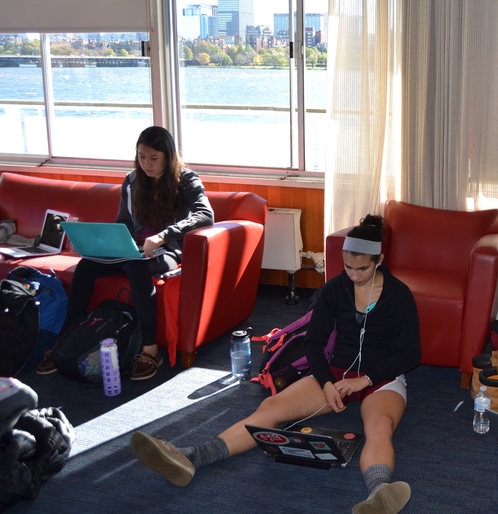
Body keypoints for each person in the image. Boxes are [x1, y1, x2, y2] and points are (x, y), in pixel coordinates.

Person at [129, 215, 421, 514]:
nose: (355, 275)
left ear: (380, 259)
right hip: (336, 372)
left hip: (380, 377)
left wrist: (366, 379)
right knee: (269, 409)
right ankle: (193, 457)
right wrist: (325, 382)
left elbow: (411, 354)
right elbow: (314, 343)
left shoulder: (399, 295)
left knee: (380, 426)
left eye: (363, 268)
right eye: (348, 266)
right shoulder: (335, 289)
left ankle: (379, 495)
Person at [37, 126, 214, 381]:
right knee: (87, 265)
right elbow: (124, 223)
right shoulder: (132, 180)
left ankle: (151, 349)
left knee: (136, 267)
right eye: (141, 157)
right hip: (133, 250)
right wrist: (111, 243)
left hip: (167, 251)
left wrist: (164, 234)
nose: (146, 164)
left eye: (154, 158)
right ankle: (67, 340)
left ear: (168, 156)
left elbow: (205, 214)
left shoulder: (187, 180)